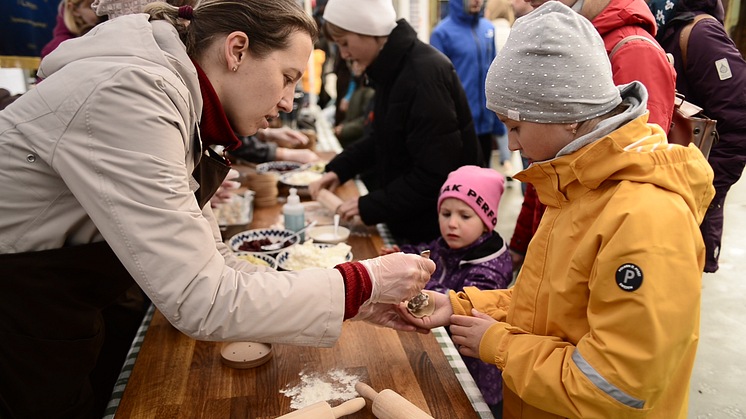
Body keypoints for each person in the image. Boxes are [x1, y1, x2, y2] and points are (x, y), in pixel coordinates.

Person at [0, 1, 436, 417]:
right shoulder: (133, 94)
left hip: (55, 308)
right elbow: (201, 296)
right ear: (237, 50)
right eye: (287, 77)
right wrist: (361, 280)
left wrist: (355, 302)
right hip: (19, 310)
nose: (289, 101)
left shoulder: (177, 100)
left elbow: (220, 264)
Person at [400, 3, 715, 418]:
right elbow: (545, 307)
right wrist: (457, 305)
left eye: (516, 126)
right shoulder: (574, 186)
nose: (511, 145)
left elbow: (618, 385)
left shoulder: (647, 218)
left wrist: (499, 345)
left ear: (566, 115)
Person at [508, 0, 678, 271]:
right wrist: (522, 239)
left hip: (588, 256)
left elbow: (636, 170)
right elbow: (546, 163)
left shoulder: (633, 51)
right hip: (559, 235)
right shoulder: (572, 39)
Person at [309, 0, 483, 245]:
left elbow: (434, 174)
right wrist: (340, 168)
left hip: (438, 232)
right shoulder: (391, 70)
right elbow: (383, 135)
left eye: (345, 43)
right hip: (410, 219)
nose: (345, 54)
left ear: (369, 29)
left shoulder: (423, 76)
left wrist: (369, 206)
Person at [381, 165, 511, 418]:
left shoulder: (492, 265)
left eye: (465, 216)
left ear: (486, 222)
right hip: (442, 353)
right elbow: (427, 251)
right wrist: (404, 255)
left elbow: (469, 302)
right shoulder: (447, 244)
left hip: (476, 369)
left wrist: (418, 282)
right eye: (445, 213)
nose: (451, 223)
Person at [649, 0, 746, 273]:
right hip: (661, 192)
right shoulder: (660, 24)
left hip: (686, 198)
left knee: (671, 296)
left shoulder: (700, 34)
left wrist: (702, 190)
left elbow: (738, 123)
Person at [430, 0, 507, 170]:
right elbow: (437, 86)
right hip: (458, 128)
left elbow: (493, 77)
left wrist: (497, 124)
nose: (476, 1)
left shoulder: (488, 28)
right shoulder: (441, 33)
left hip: (485, 126)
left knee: (483, 183)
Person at [334, 60, 375, 149]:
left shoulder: (368, 90)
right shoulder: (358, 86)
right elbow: (352, 115)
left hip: (358, 142)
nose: (355, 66)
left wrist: (344, 130)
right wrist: (343, 125)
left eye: (358, 62)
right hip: (351, 141)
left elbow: (365, 120)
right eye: (353, 63)